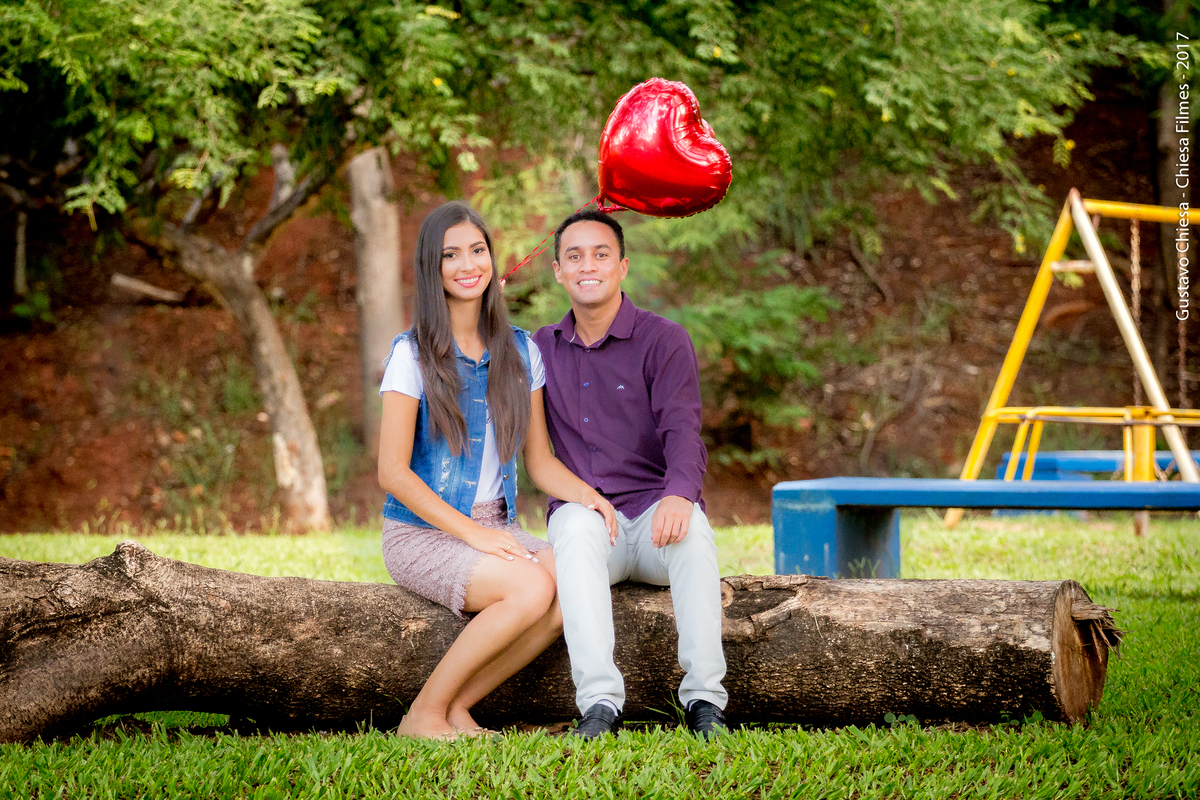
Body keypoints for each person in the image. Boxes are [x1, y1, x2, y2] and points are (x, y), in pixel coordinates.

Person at [377, 201, 617, 740]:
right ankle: (421, 714)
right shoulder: (412, 356)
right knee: (530, 589)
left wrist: (589, 496)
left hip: (497, 528)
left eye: (478, 250)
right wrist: (473, 534)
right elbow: (392, 472)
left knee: (571, 584)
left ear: (491, 258)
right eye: (451, 255)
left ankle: (458, 707)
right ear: (432, 268)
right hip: (422, 533)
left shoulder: (520, 351)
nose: (468, 264)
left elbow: (539, 461)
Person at [532, 209, 728, 739]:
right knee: (573, 527)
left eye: (601, 254)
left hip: (655, 517)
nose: (587, 266)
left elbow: (683, 431)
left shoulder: (663, 340)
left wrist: (680, 494)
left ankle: (705, 701)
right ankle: (600, 703)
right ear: (558, 271)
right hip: (593, 523)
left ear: (622, 266)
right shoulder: (539, 349)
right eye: (574, 256)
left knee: (694, 534)